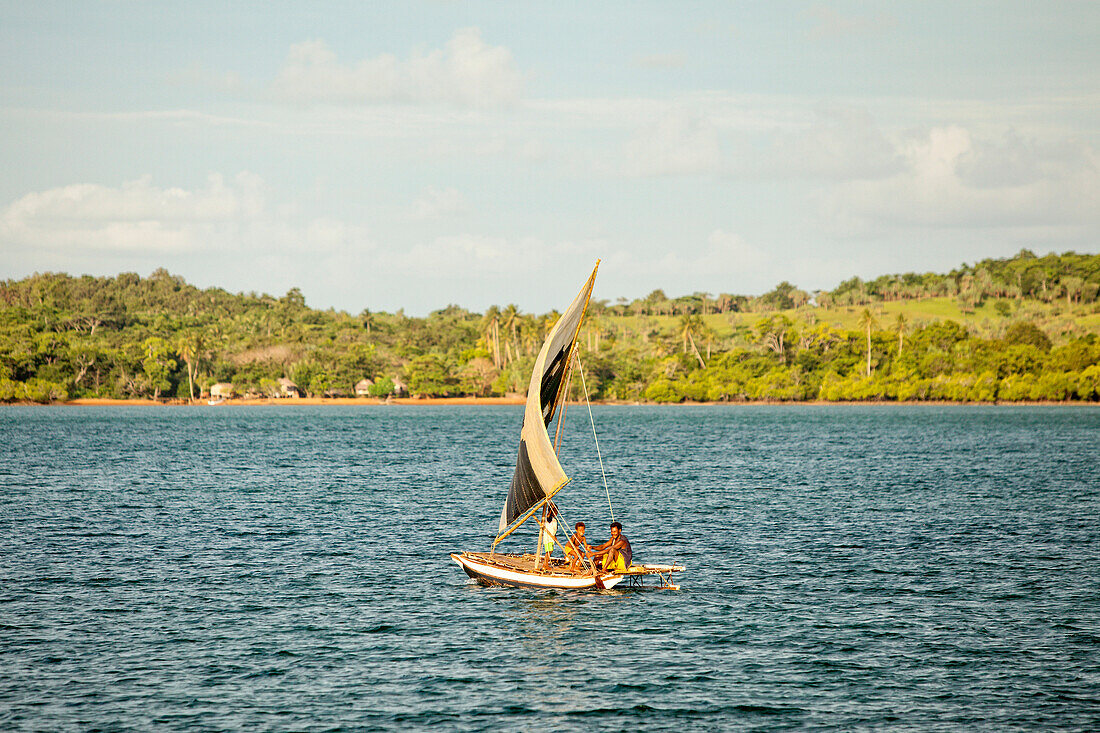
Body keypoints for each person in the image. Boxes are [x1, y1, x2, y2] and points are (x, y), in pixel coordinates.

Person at [539, 503, 559, 571]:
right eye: (555, 511)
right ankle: (545, 565)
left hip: (551, 538)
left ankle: (545, 564)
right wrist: (550, 507)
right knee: (549, 551)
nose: (556, 513)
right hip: (549, 538)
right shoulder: (549, 519)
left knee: (549, 551)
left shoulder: (552, 519)